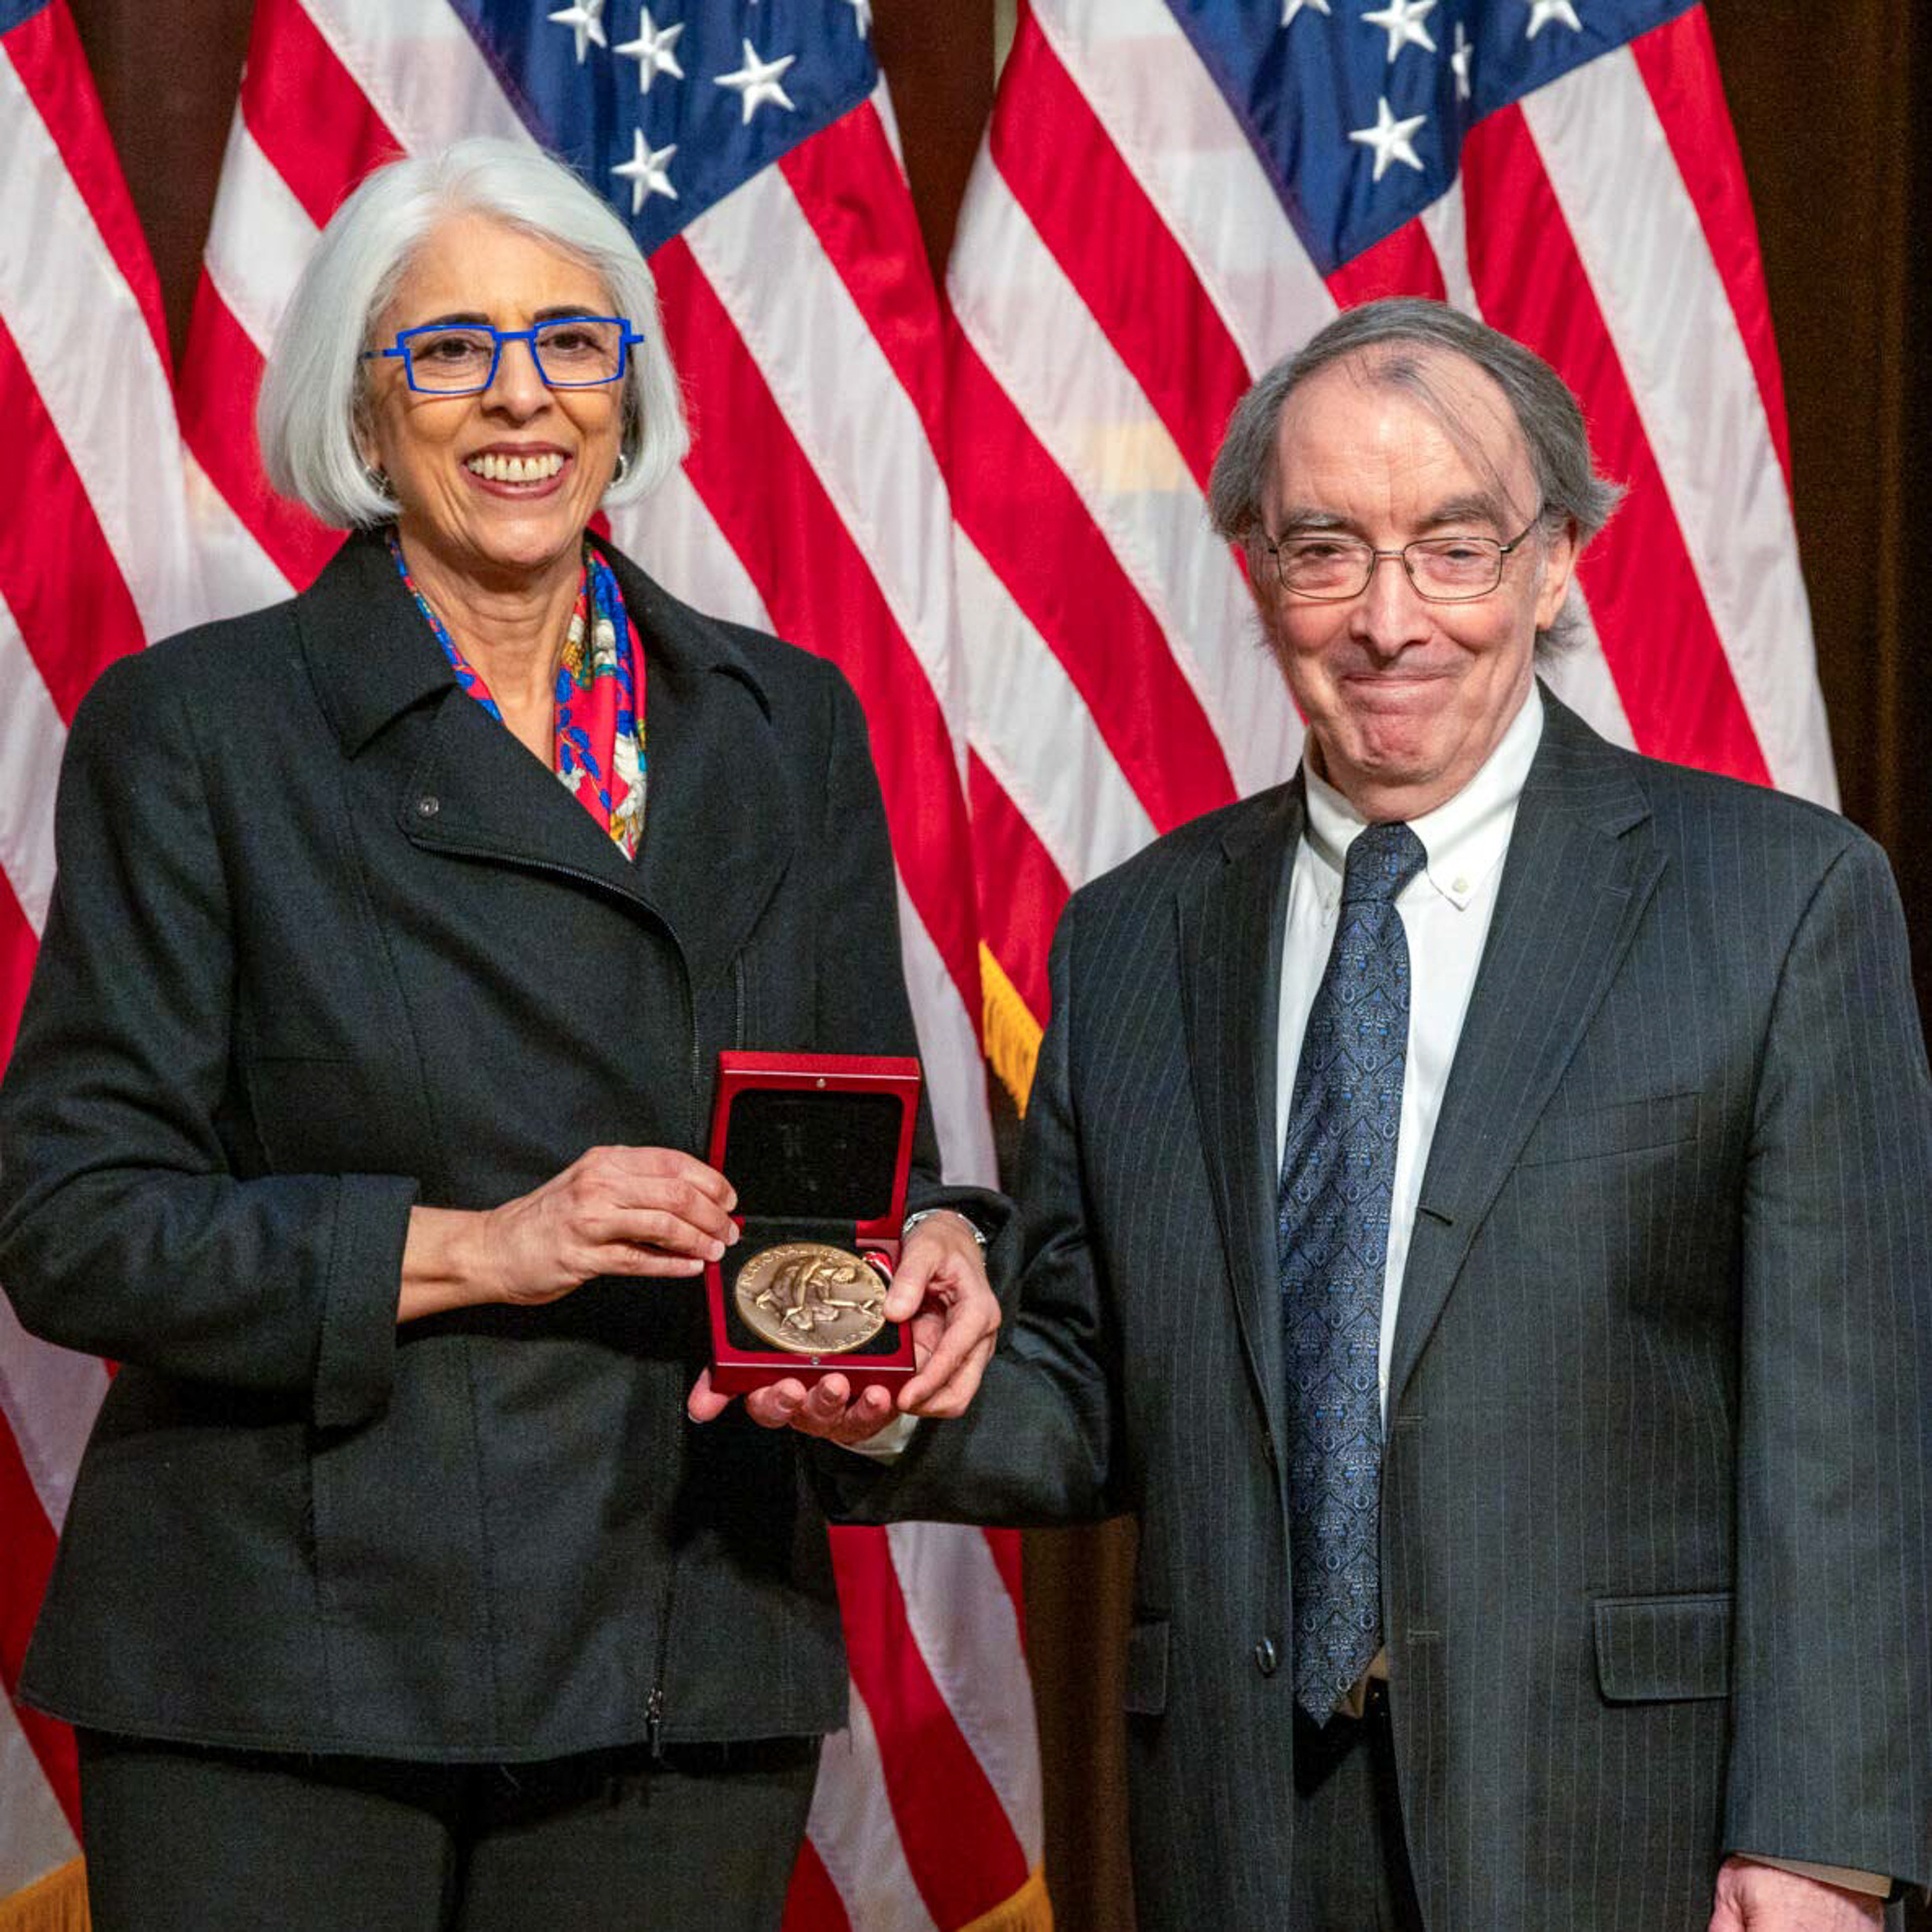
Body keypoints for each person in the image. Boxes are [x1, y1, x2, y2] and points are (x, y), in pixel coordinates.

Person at [795, 298, 1932, 1931]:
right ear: (1259, 570)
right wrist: (879, 1382)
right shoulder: (1130, 938)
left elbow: (1860, 1433)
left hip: (1631, 1829)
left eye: (1454, 547)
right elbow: (1088, 1384)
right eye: (1327, 548)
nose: (1390, 619)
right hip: (1245, 1829)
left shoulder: (1778, 902)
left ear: (1555, 566)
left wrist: (1825, 1841)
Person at [0, 138, 1001, 1932]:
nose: (520, 395)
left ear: (633, 395)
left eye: (573, 342)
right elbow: (75, 1221)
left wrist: (925, 1250)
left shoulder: (790, 726)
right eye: (449, 351)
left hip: (684, 1635)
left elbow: (861, 1141)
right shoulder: (200, 734)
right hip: (285, 1665)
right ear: (363, 422)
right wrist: (488, 1245)